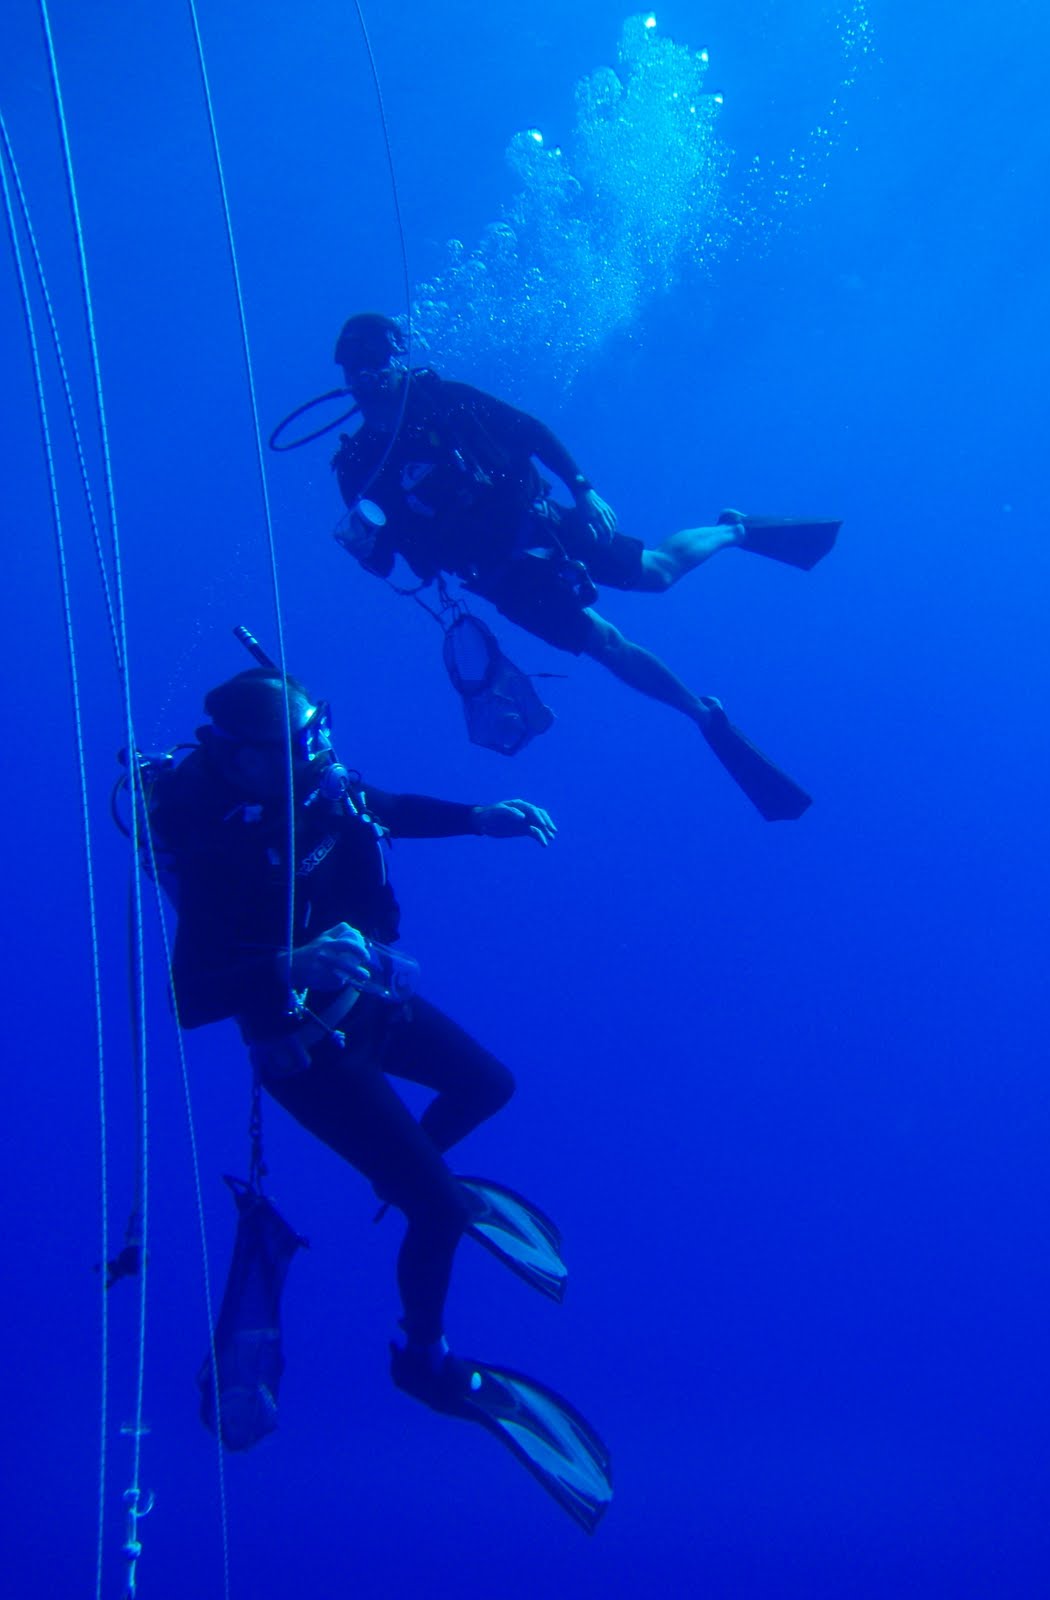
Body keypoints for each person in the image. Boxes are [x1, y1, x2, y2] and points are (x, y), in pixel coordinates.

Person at [156, 665, 612, 1530]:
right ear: (246, 759)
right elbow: (188, 999)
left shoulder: (314, 787)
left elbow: (382, 806)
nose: (321, 751)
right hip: (308, 1056)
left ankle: (403, 1175)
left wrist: (479, 817)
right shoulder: (215, 847)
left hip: (366, 1001)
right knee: (440, 1213)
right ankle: (425, 1365)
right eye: (302, 742)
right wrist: (292, 964)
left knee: (488, 1085)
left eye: (320, 728)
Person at [328, 311, 843, 820]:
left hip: (540, 524)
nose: (365, 373)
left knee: (658, 574)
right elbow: (393, 563)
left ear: (397, 356)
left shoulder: (442, 401)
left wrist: (582, 488)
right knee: (606, 645)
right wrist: (364, 552)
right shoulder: (357, 468)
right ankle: (701, 714)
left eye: (375, 358)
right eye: (353, 365)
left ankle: (735, 529)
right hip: (500, 580)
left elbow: (530, 432)